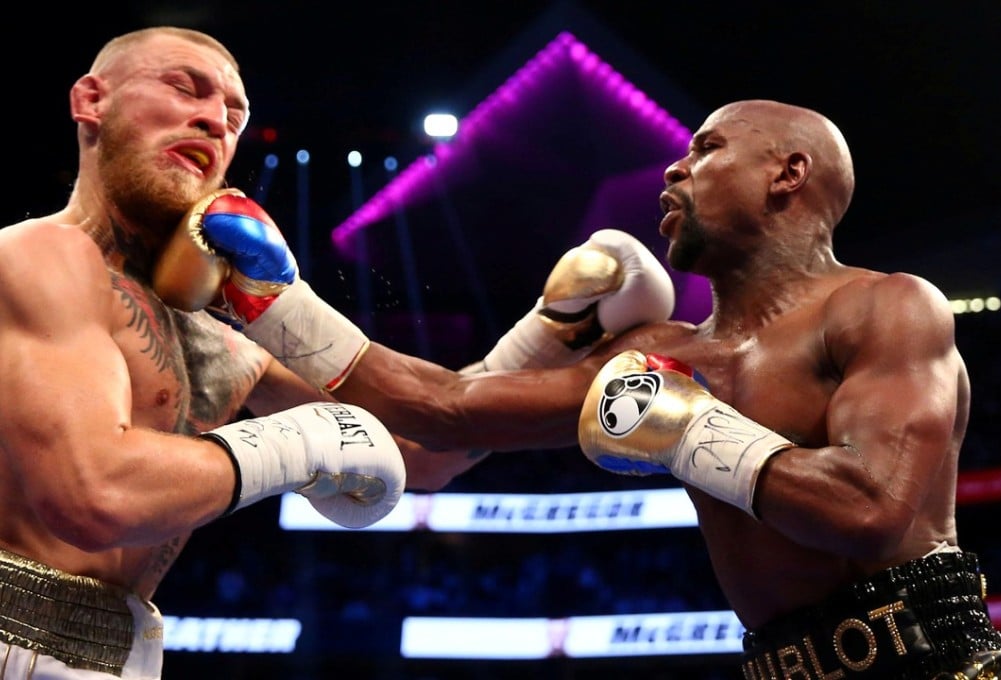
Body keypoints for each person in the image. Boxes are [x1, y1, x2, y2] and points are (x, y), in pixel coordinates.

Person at [168, 98, 1001, 676]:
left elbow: (875, 511)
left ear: (787, 175)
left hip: (935, 658)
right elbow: (441, 414)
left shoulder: (885, 306)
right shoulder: (660, 350)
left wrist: (688, 429)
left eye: (705, 150)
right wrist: (277, 300)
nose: (672, 172)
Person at [0, 26, 676, 679]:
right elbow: (94, 495)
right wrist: (304, 439)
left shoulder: (220, 335)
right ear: (91, 100)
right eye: (185, 88)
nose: (213, 120)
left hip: (124, 650)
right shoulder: (38, 256)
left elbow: (417, 452)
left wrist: (554, 335)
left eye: (233, 113)